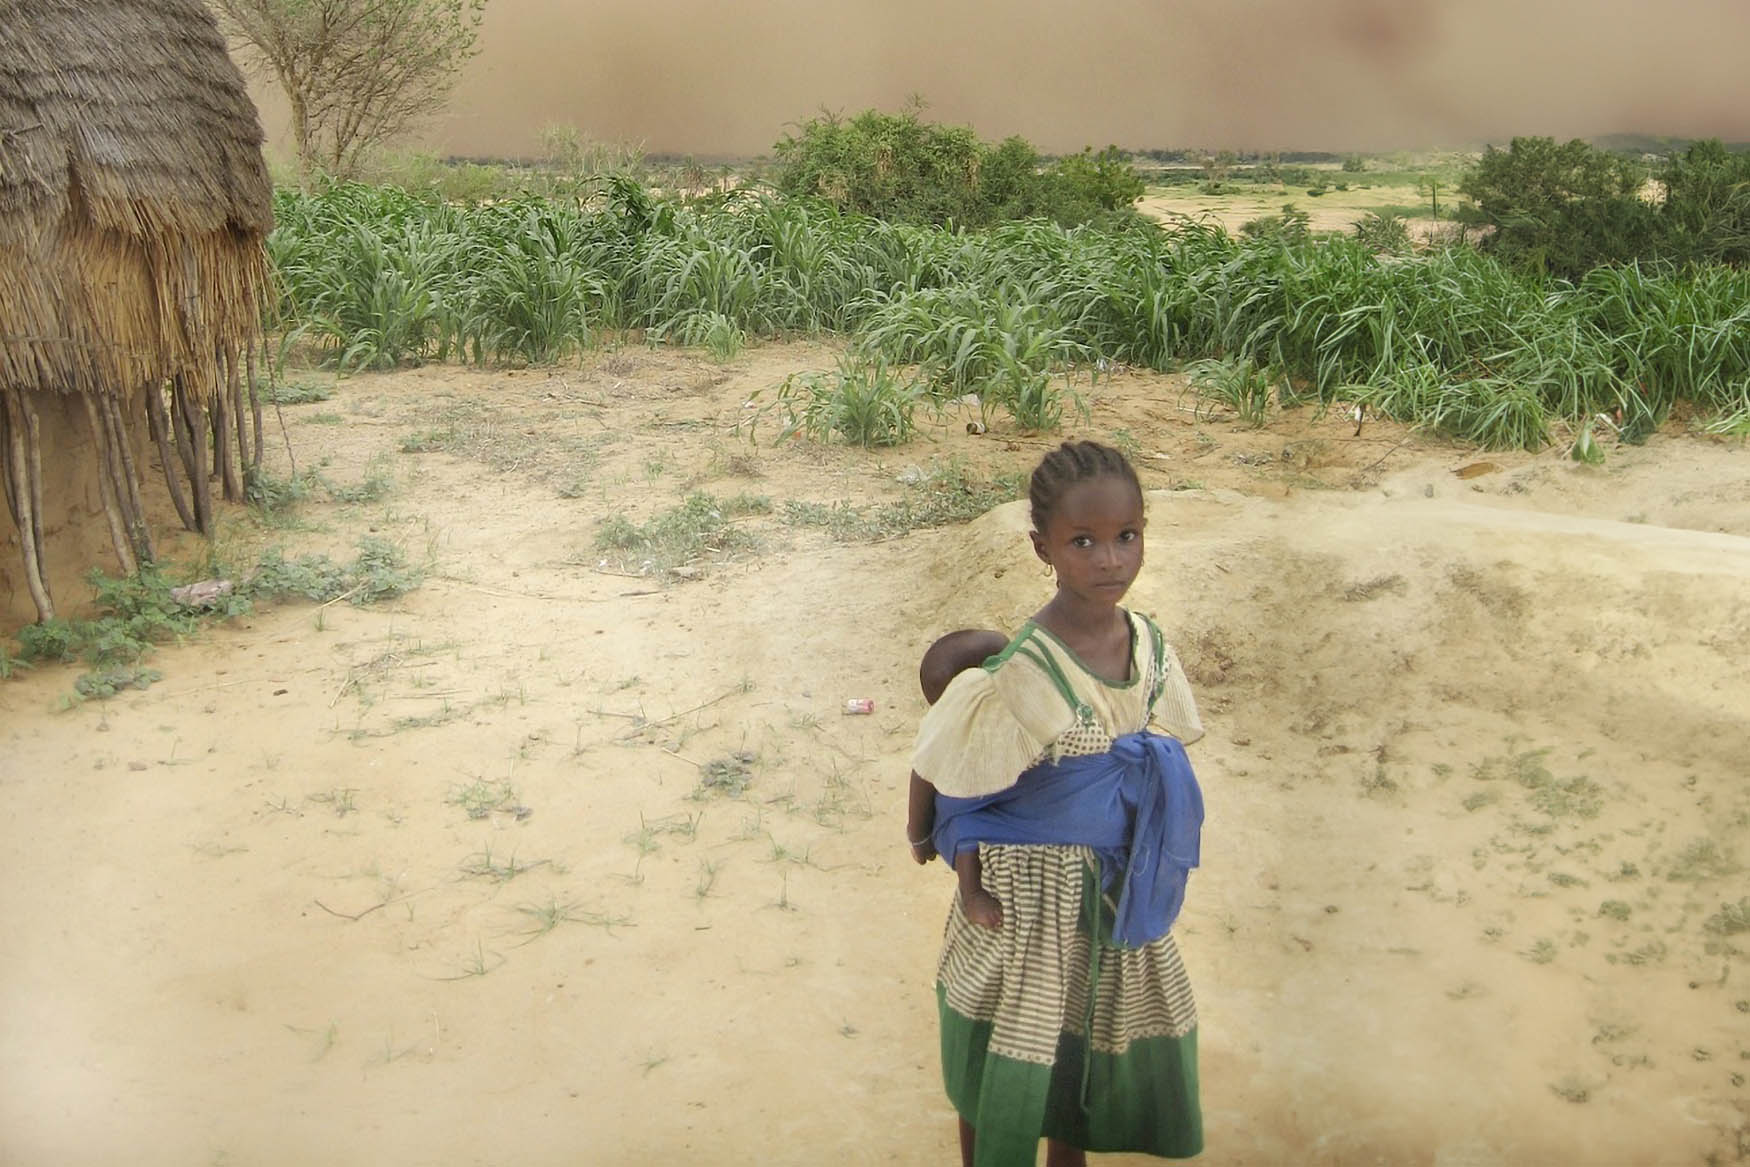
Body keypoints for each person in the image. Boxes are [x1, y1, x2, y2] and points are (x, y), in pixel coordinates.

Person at [905, 440, 1207, 1167]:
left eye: (1126, 537)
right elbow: (944, 761)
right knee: (1000, 1043)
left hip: (1109, 893)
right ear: (1043, 547)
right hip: (1023, 902)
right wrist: (925, 837)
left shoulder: (1152, 648)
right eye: (1084, 541)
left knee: (1079, 1040)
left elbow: (1163, 747)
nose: (1110, 559)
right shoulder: (1020, 672)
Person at [915, 628, 1013, 928]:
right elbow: (922, 777)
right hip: (978, 806)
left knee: (961, 817)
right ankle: (973, 892)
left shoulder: (1025, 711)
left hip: (1020, 798)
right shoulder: (949, 736)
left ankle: (973, 892)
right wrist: (918, 836)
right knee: (964, 820)